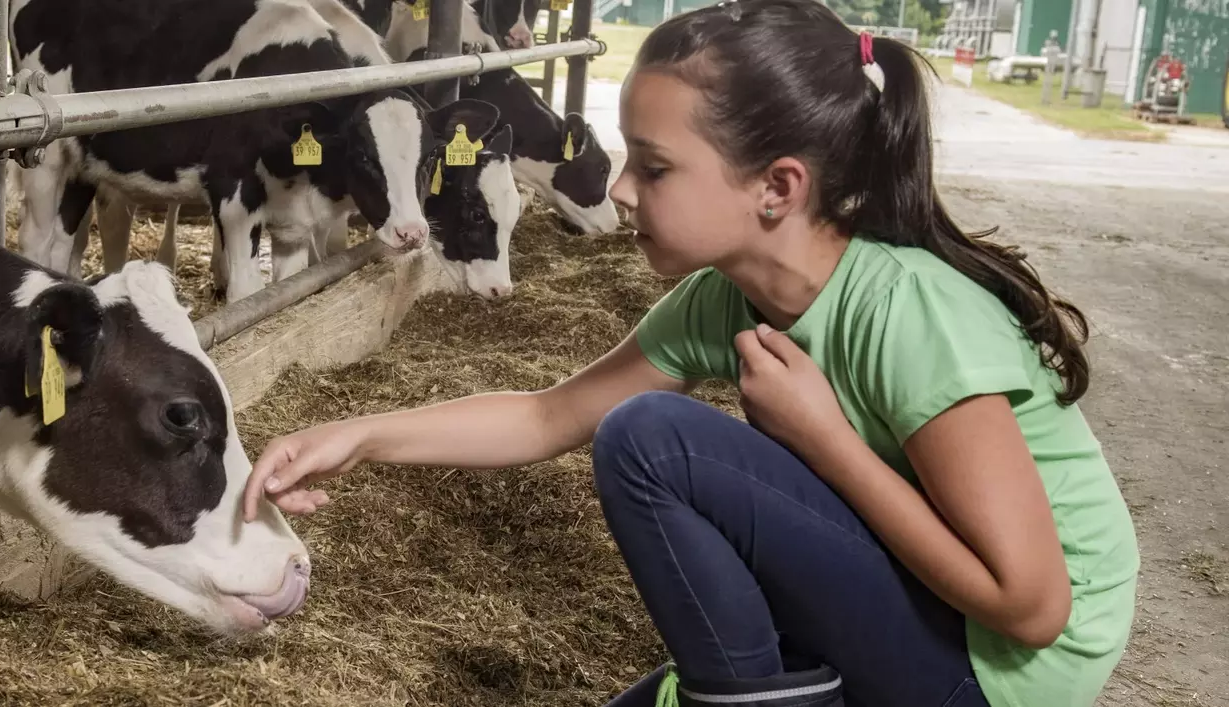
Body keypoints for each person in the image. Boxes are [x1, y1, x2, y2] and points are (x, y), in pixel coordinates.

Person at [239, 1, 1139, 705]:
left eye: (654, 166)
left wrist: (825, 441)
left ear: (777, 188)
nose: (621, 189)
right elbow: (549, 413)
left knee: (654, 438)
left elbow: (1032, 605)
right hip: (919, 611)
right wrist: (355, 434)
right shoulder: (728, 299)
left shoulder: (908, 315)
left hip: (1001, 675)